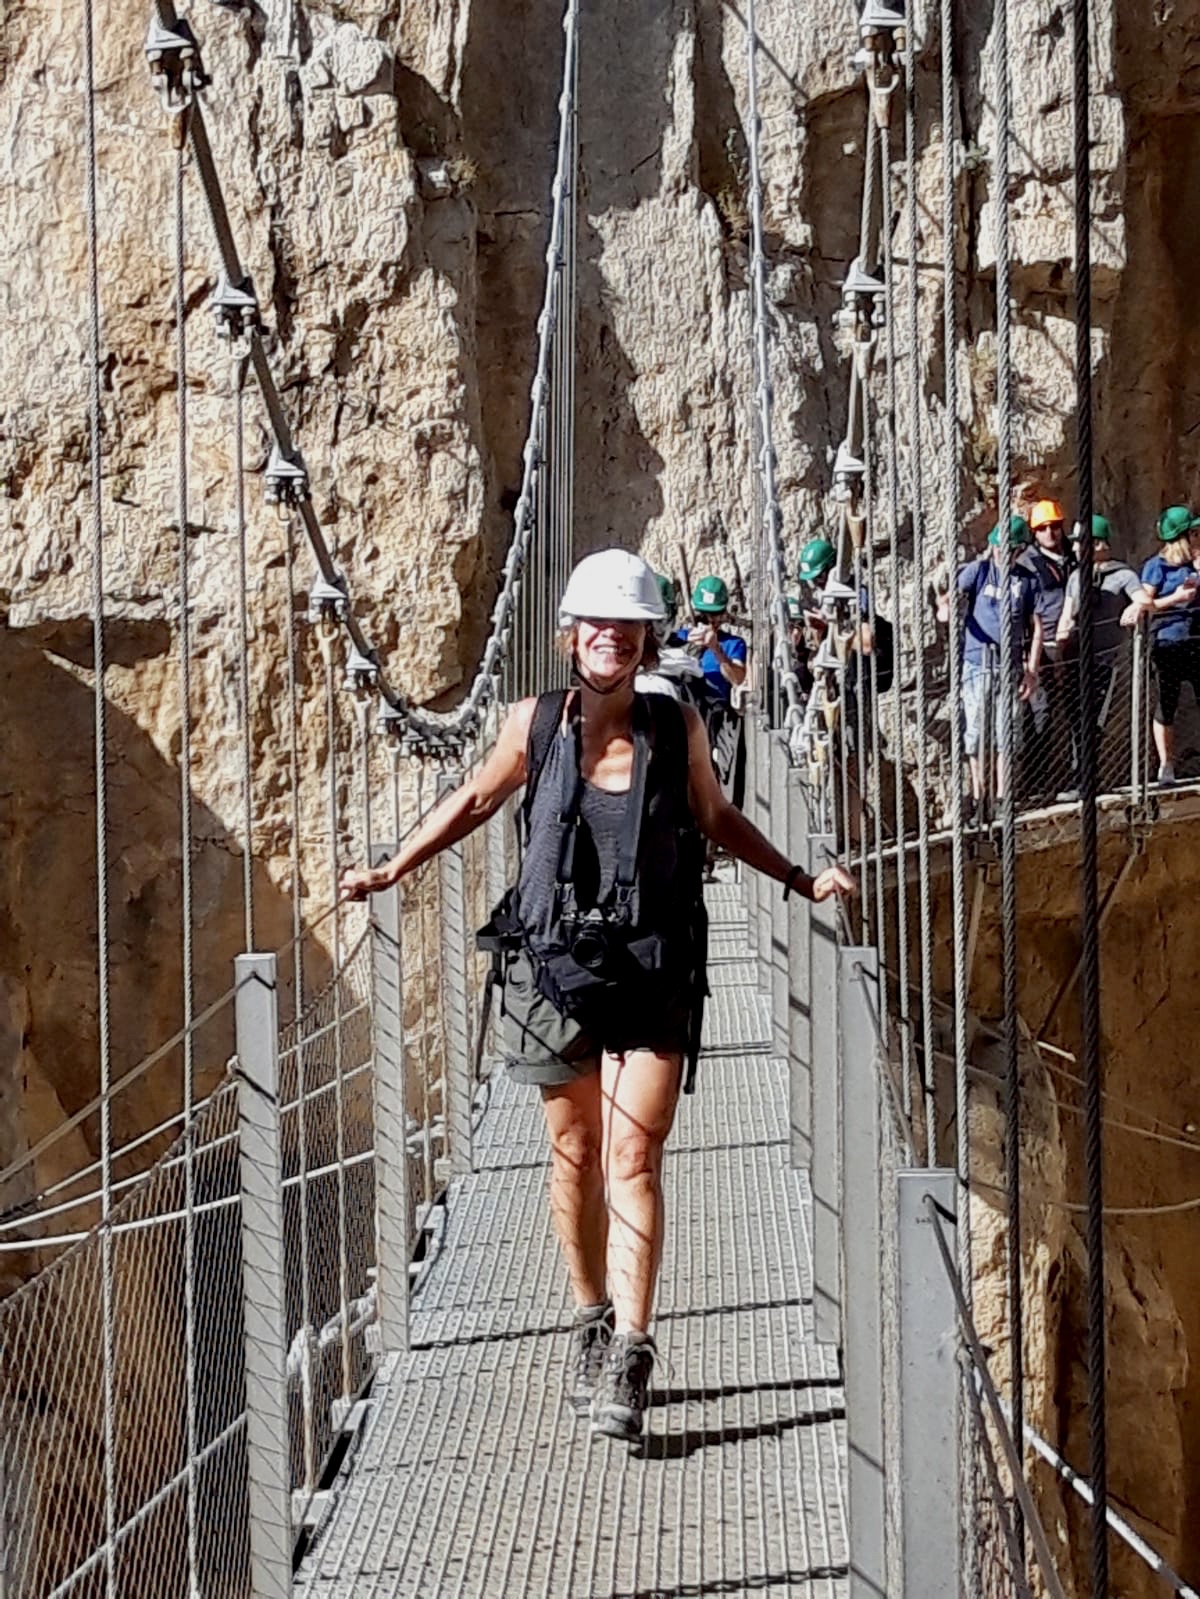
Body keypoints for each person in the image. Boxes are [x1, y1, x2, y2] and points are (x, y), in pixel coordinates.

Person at [339, 549, 855, 1443]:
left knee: (633, 1155)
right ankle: (588, 1314)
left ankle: (631, 1346)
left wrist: (801, 878)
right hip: (552, 966)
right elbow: (474, 800)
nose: (610, 635)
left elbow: (715, 817)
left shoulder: (675, 726)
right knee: (575, 1152)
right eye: (595, 622)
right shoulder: (533, 724)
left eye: (626, 624)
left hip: (653, 965)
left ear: (646, 638)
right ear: (571, 635)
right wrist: (394, 868)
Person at [936, 515, 1043, 809]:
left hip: (1009, 666)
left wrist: (1032, 671)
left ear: (1019, 550)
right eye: (997, 546)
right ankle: (978, 793)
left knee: (1005, 732)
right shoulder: (979, 571)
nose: (999, 552)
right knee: (975, 730)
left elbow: (1036, 628)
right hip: (977, 662)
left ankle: (1002, 796)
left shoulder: (1027, 581)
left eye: (1007, 548)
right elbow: (950, 597)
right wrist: (944, 608)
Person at [1054, 513, 1143, 795]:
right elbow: (1066, 615)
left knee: (1093, 720)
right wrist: (1059, 651)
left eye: (1081, 542)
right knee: (1075, 720)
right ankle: (1079, 777)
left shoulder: (1122, 575)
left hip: (1103, 661)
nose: (1075, 548)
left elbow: (1144, 599)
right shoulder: (1075, 577)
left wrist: (1136, 607)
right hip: (1075, 658)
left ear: (1098, 544)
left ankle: (1088, 780)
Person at [1128, 505, 1200, 785]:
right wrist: (1177, 598)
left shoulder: (1195, 563)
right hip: (1168, 641)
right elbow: (1145, 604)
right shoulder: (1156, 566)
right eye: (1193, 533)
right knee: (1167, 703)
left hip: (1196, 639)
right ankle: (1166, 764)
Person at [1021, 499, 1075, 798]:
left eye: (1054, 526)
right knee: (1040, 714)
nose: (1050, 533)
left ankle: (1076, 778)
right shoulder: (1028, 563)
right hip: (1043, 649)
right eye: (1042, 528)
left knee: (1076, 713)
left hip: (1073, 646)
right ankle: (1036, 782)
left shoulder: (1073, 557)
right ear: (1034, 532)